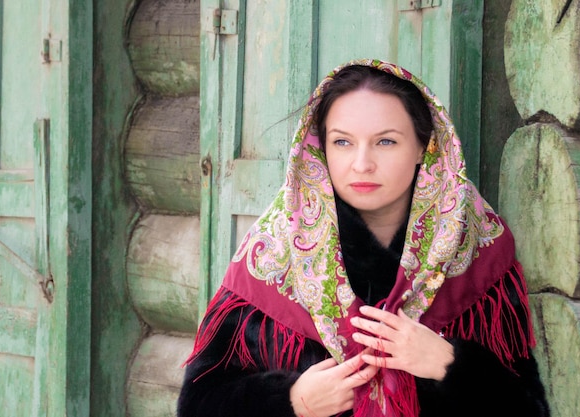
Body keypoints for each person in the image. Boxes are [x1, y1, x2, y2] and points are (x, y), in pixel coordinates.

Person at [177, 59, 550, 417]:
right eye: (342, 142)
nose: (361, 164)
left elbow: (530, 410)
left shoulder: (475, 245)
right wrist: (291, 401)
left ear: (424, 146)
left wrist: (449, 364)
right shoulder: (274, 250)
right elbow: (199, 403)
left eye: (385, 142)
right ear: (320, 147)